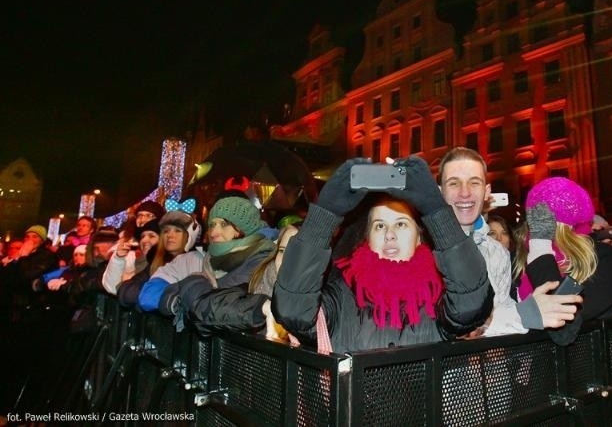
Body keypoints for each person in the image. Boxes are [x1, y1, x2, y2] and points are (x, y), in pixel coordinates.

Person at [272, 156, 493, 353]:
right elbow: (293, 311)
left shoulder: (438, 293)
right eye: (379, 226)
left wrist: (436, 210)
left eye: (401, 224)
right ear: (368, 237)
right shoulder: (341, 292)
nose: (389, 234)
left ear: (419, 237)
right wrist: (323, 217)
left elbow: (471, 306)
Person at [437, 147, 581, 334]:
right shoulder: (423, 249)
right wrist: (527, 314)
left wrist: (533, 308)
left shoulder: (497, 252)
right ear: (440, 192)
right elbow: (448, 325)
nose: (465, 193)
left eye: (474, 183)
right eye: (454, 183)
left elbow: (501, 308)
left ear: (486, 192)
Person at [514, 177, 612, 345]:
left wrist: (541, 247)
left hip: (588, 365)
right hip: (534, 367)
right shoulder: (519, 258)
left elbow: (563, 330)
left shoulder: (603, 257)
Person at [159, 194, 277, 333]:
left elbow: (218, 299)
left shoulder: (263, 258)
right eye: (212, 225)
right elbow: (165, 296)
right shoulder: (211, 259)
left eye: (224, 224)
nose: (214, 232)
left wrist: (194, 282)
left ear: (243, 227)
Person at [137, 209, 201, 312]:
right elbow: (127, 292)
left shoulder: (197, 262)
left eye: (177, 230)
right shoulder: (154, 261)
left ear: (190, 236)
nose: (170, 235)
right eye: (166, 231)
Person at [103, 218, 161, 295]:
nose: (144, 240)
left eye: (152, 236)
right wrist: (118, 259)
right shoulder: (138, 262)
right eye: (142, 236)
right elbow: (112, 288)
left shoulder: (165, 265)